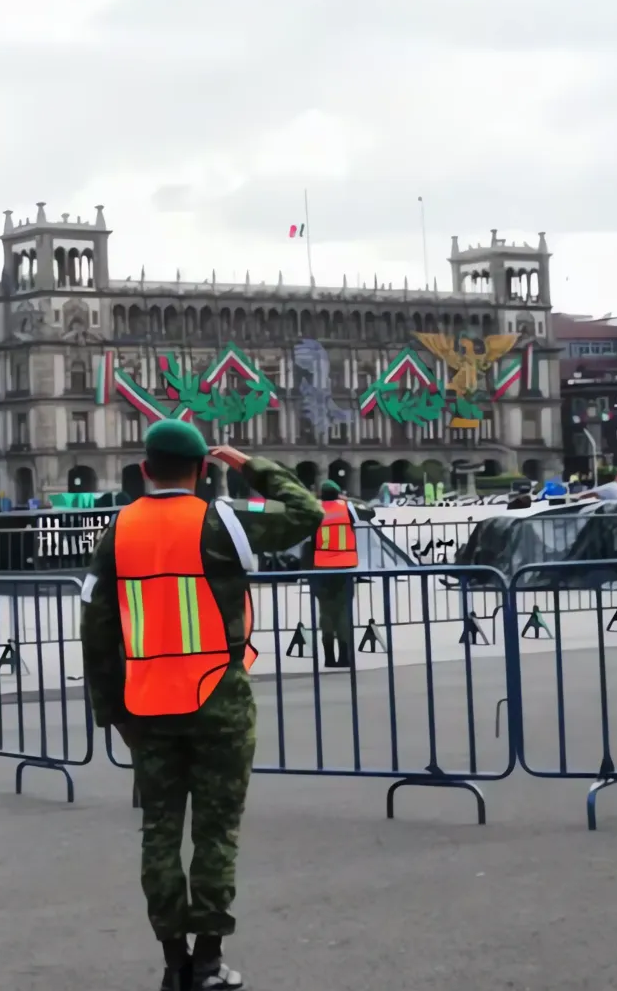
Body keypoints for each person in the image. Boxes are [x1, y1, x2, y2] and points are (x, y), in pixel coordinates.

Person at [81, 421, 322, 991]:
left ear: (143, 471)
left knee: (159, 829)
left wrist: (110, 712)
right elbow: (306, 510)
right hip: (219, 696)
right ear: (202, 471)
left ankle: (173, 959)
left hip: (144, 703)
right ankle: (210, 960)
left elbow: (96, 629)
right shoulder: (223, 522)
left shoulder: (117, 531)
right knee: (217, 830)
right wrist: (246, 463)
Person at [309, 480, 372, 669]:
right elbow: (370, 511)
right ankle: (345, 657)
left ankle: (329, 657)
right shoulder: (347, 508)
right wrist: (347, 499)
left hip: (321, 567)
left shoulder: (315, 509)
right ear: (338, 494)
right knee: (344, 612)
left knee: (326, 613)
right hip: (345, 567)